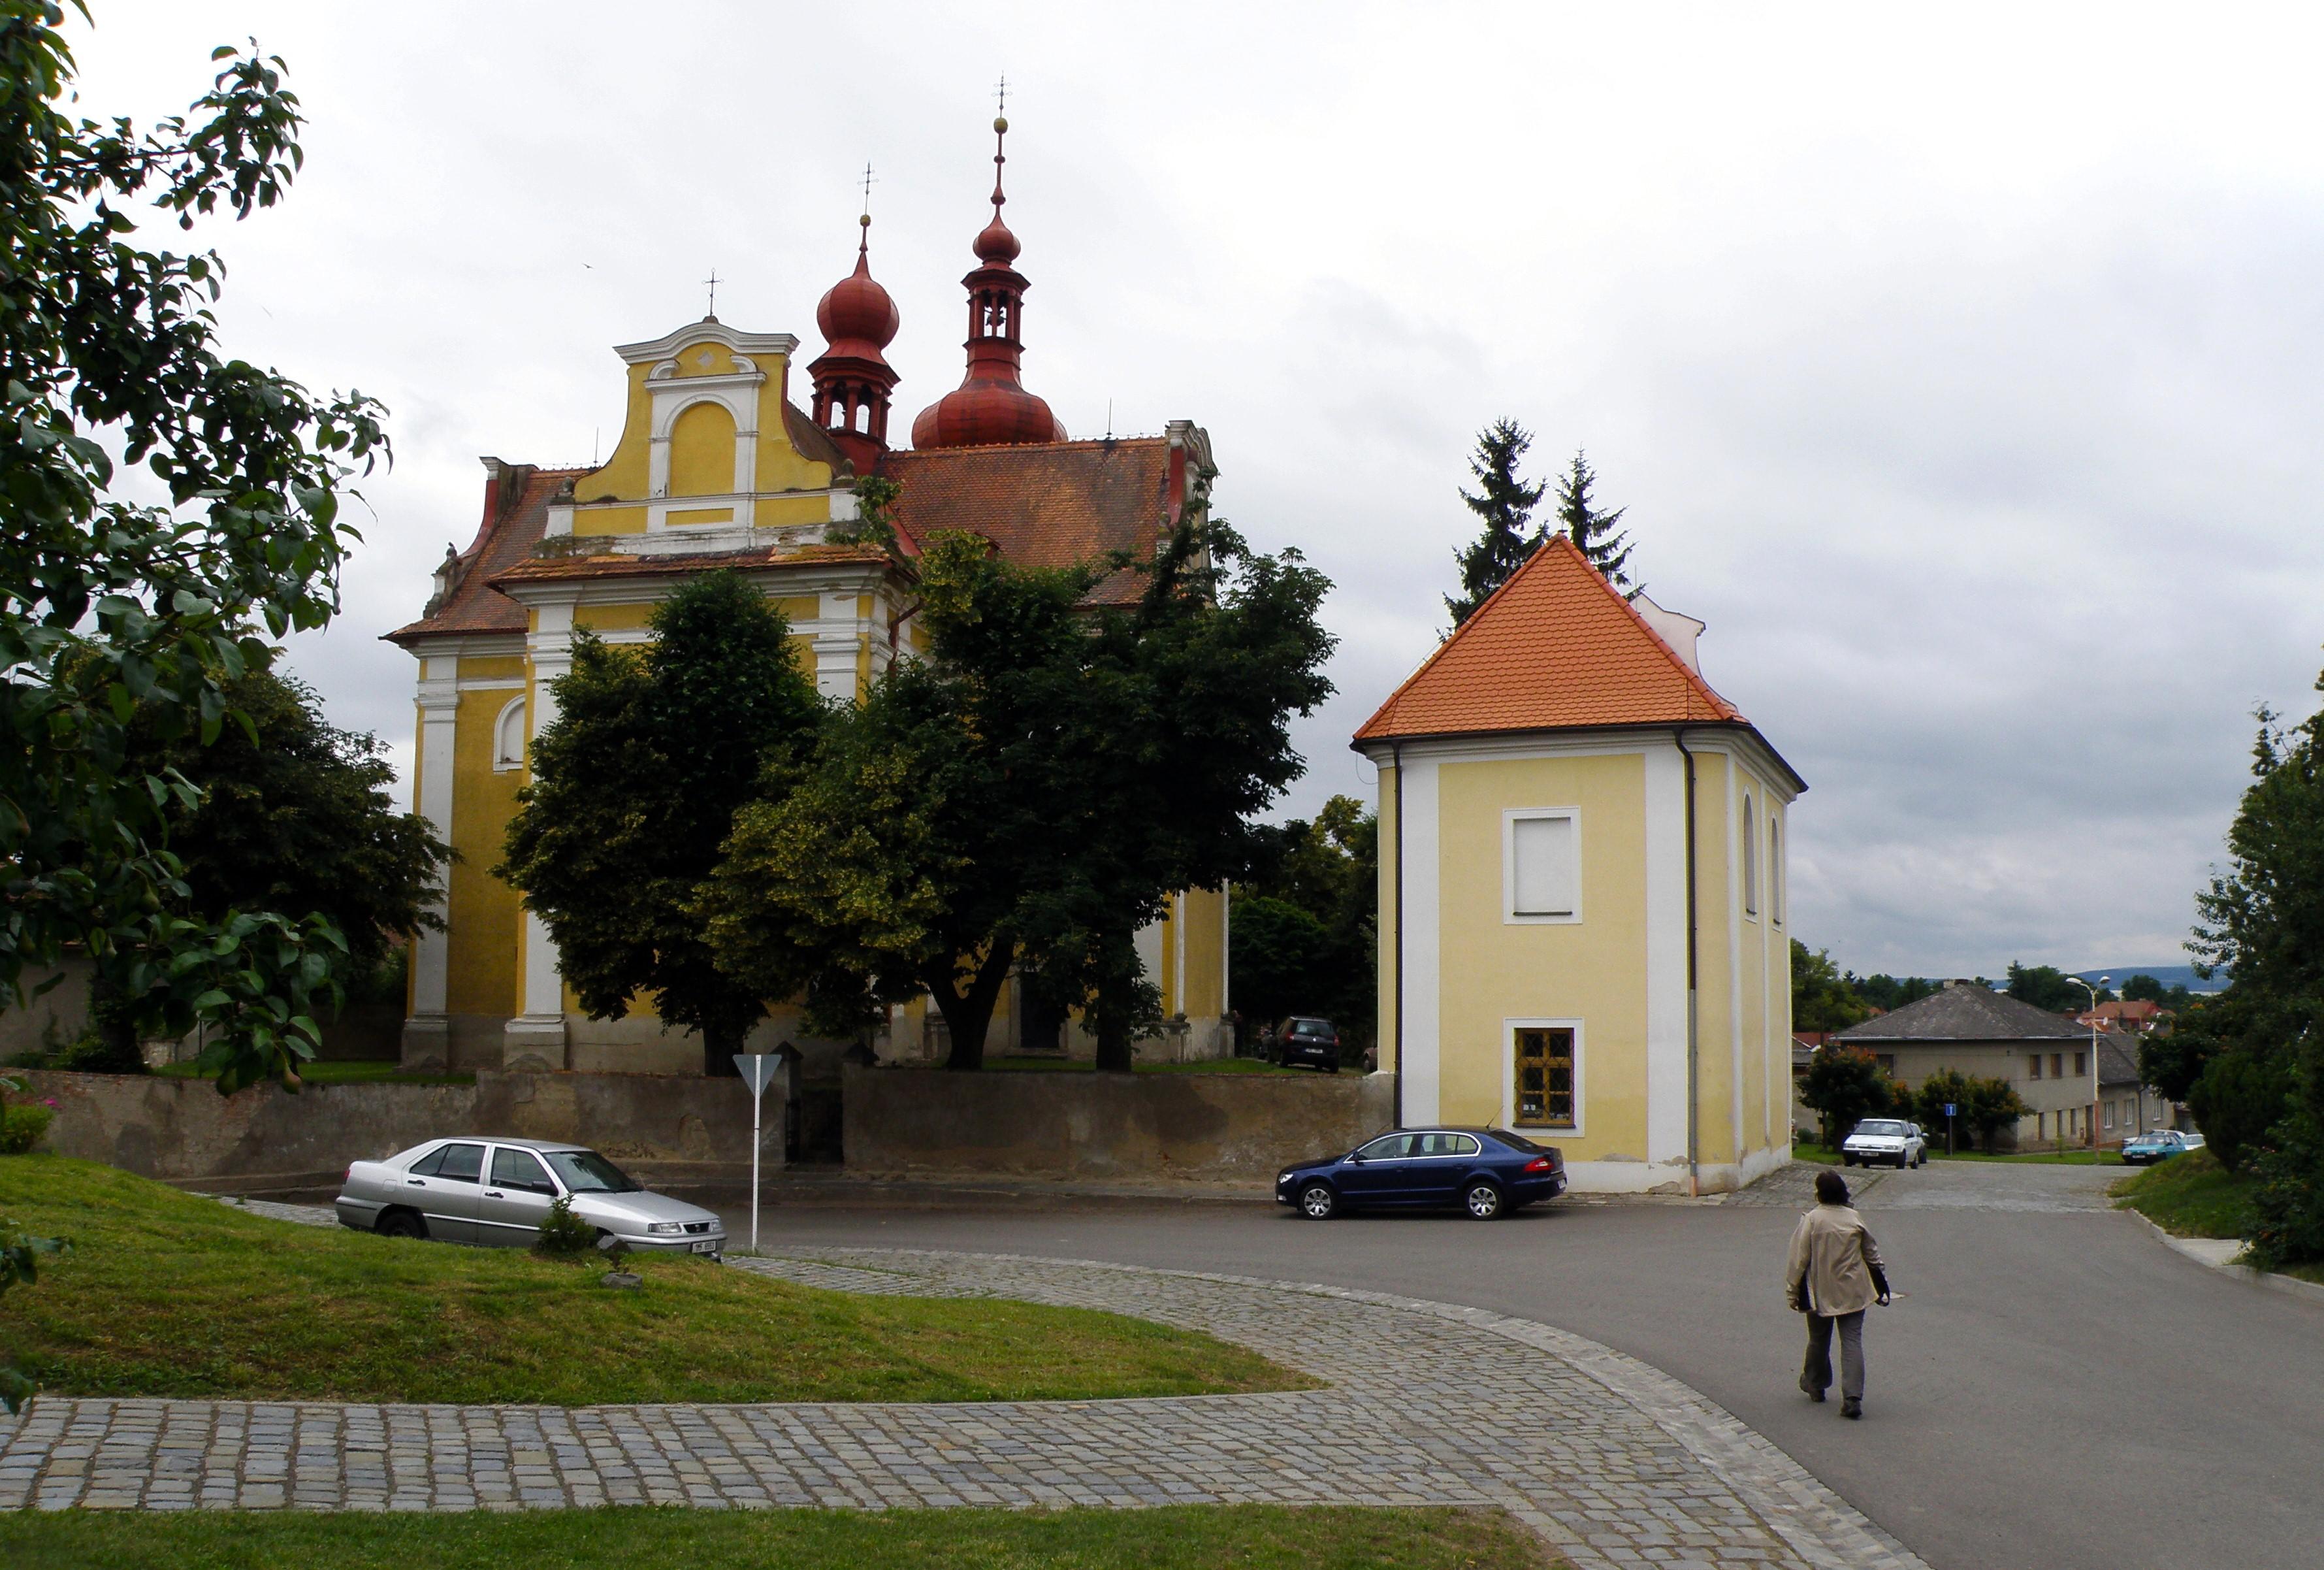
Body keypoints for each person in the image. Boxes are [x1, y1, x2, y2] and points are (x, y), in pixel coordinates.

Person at [1783, 1168, 1892, 1419]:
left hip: (1820, 1291)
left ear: (1818, 1193)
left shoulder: (1812, 1220)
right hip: (1855, 1290)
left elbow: (1798, 1261)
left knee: (1818, 1339)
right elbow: (1872, 1254)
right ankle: (1853, 1397)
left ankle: (1816, 1383)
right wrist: (1881, 1281)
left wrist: (1792, 1293)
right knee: (1852, 1341)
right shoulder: (1854, 1218)